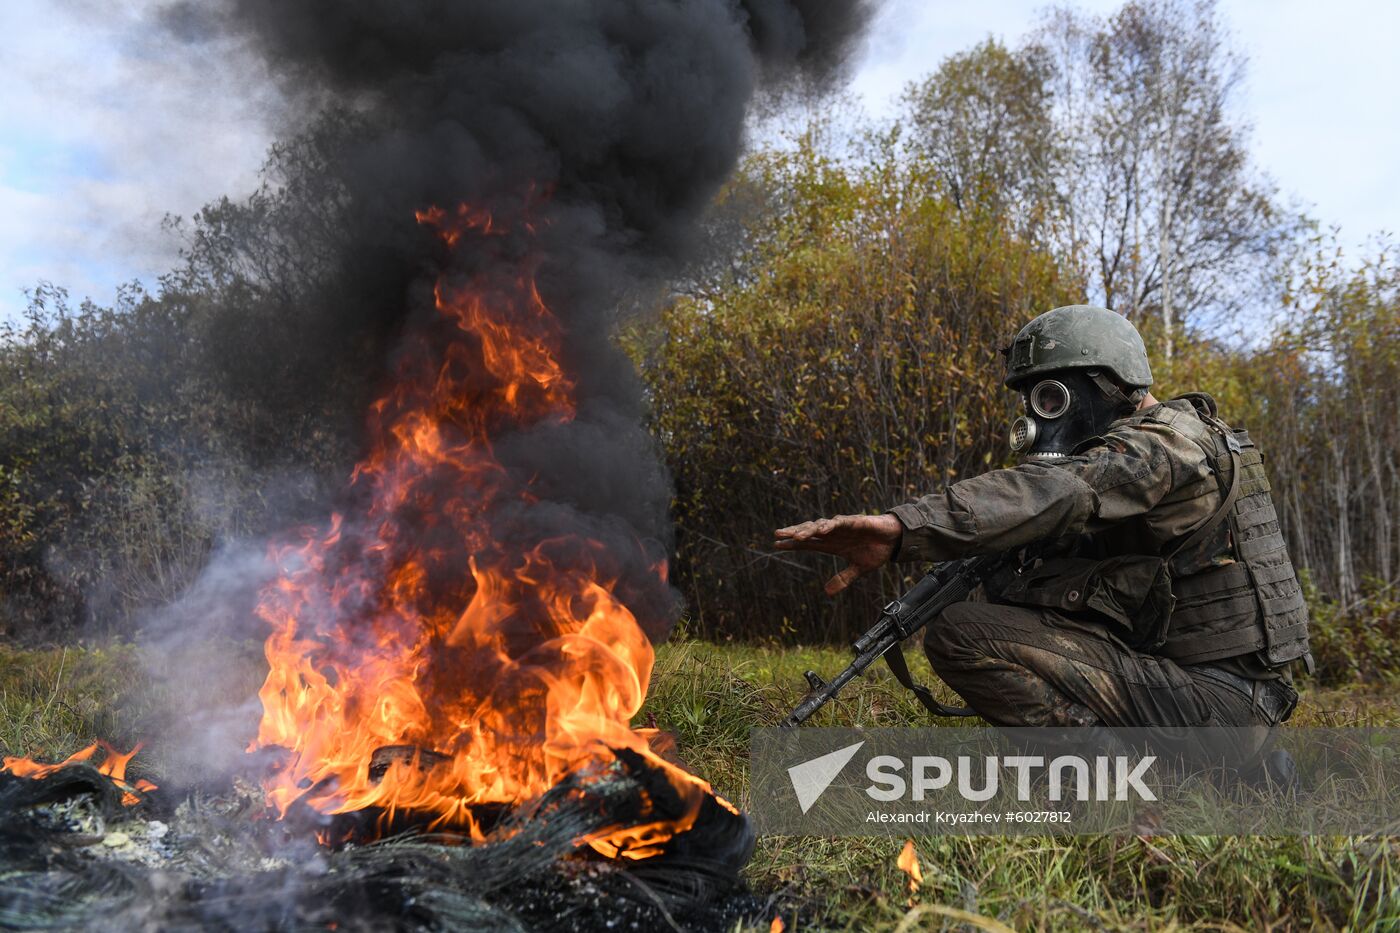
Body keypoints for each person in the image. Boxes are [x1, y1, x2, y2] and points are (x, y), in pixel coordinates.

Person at [773, 305, 1310, 773]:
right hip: (1227, 699)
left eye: (1051, 399)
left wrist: (903, 528)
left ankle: (1130, 777)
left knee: (961, 633)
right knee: (1001, 603)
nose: (1038, 417)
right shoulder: (1169, 446)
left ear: (1108, 384)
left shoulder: (1167, 445)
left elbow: (1063, 488)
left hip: (1221, 703)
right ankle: (1233, 765)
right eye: (1032, 401)